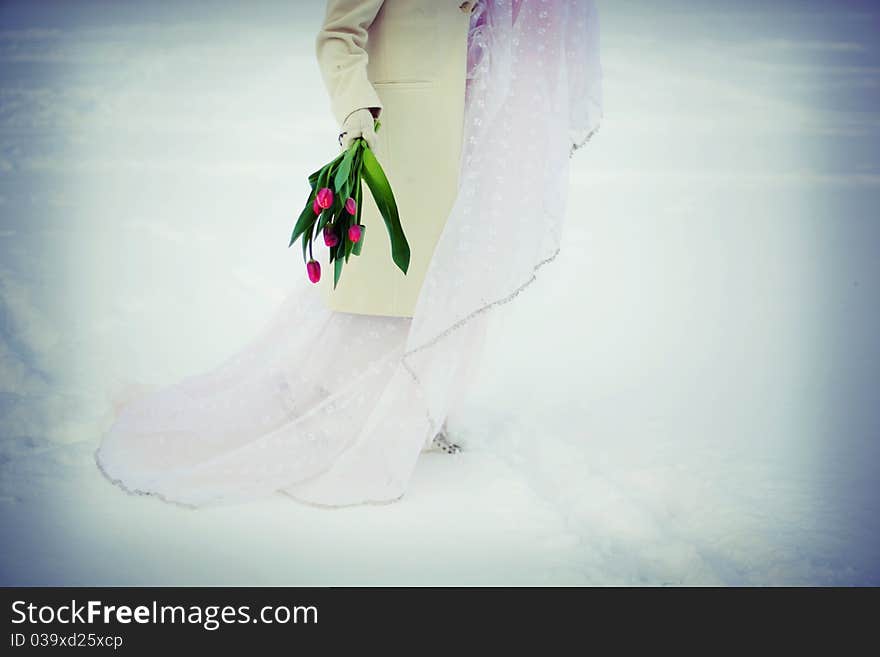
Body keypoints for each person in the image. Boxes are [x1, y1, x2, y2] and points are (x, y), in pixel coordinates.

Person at [94, 0, 602, 508]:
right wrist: (358, 110)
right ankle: (345, 419)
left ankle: (418, 416)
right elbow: (337, 34)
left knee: (448, 285)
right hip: (401, 140)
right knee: (383, 292)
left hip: (475, 139)